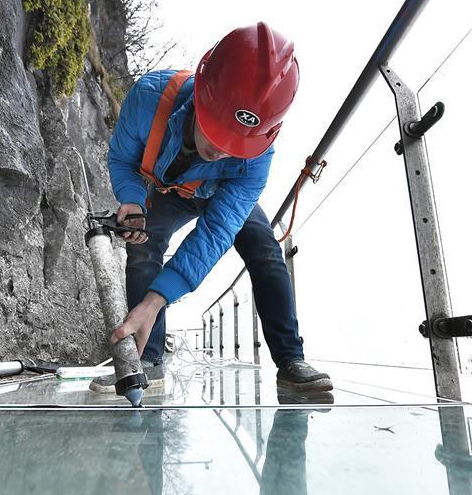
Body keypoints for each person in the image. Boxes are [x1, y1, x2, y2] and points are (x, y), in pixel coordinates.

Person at [91, 22, 332, 393]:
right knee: (142, 246)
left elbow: (216, 232)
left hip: (220, 194)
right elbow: (122, 159)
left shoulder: (256, 163)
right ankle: (148, 359)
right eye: (217, 130)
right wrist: (133, 202)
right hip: (169, 191)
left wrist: (158, 298)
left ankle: (290, 359)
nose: (222, 150)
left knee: (265, 249)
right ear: (202, 94)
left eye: (238, 144)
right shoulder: (148, 98)